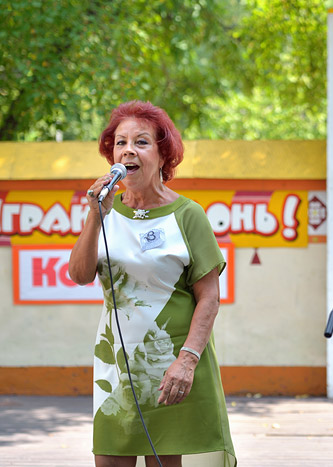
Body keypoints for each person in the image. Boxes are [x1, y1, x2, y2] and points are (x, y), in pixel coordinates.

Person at [69, 101, 236, 467]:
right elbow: (79, 275)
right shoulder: (105, 209)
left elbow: (209, 297)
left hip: (175, 367)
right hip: (117, 364)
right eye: (120, 142)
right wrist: (96, 216)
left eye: (141, 142)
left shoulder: (188, 215)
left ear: (163, 156)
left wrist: (187, 361)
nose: (128, 150)